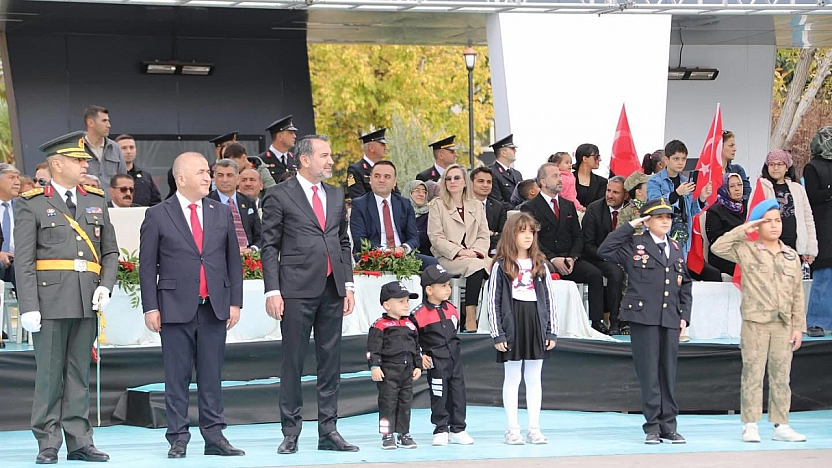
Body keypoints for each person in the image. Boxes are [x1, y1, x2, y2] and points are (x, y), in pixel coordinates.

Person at [16, 131, 118, 464]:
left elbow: (110, 251)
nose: (84, 165)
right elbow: (26, 260)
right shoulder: (32, 202)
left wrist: (106, 284)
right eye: (78, 160)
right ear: (57, 164)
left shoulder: (96, 199)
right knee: (48, 374)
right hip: (49, 301)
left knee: (78, 374)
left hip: (86, 298)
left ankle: (79, 440)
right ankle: (48, 441)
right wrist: (28, 305)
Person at [139, 152, 245, 459]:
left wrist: (234, 302)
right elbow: (147, 266)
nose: (208, 177)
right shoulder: (158, 214)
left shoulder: (220, 211)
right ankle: (178, 437)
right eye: (201, 172)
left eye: (207, 172)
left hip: (213, 305)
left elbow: (232, 262)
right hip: (173, 307)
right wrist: (150, 307)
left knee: (212, 375)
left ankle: (214, 436)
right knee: (177, 376)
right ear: (181, 178)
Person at [260, 135, 359, 454]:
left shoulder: (334, 194)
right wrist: (272, 290)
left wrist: (348, 284)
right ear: (304, 159)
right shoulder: (278, 195)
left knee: (331, 362)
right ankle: (290, 430)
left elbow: (343, 241)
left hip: (332, 288)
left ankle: (328, 430)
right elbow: (269, 246)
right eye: (325, 156)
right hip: (295, 290)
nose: (331, 161)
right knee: (293, 362)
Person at [710, 199, 807, 443]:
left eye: (777, 221)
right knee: (753, 373)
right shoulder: (748, 249)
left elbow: (797, 294)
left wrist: (798, 327)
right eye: (768, 221)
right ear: (758, 224)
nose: (774, 226)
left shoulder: (790, 256)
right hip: (756, 323)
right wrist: (747, 228)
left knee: (781, 375)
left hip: (783, 324)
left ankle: (781, 424)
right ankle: (750, 424)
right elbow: (718, 247)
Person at [597, 198, 692, 445]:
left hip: (669, 317)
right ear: (647, 221)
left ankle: (669, 426)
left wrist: (685, 317)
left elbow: (685, 284)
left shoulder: (675, 247)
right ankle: (652, 426)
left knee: (668, 374)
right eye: (659, 217)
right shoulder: (635, 243)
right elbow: (604, 250)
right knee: (649, 373)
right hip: (643, 317)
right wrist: (631, 225)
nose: (665, 222)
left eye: (668, 217)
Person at [486, 212, 557, 445]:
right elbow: (493, 300)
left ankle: (534, 428)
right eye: (522, 231)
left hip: (535, 320)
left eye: (531, 232)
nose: (527, 236)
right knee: (513, 376)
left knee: (534, 377)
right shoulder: (501, 265)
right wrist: (498, 333)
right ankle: (512, 428)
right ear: (511, 234)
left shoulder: (540, 264)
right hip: (512, 321)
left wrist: (550, 330)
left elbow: (549, 299)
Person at [520, 163, 608, 335]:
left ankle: (596, 322)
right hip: (544, 259)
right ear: (543, 182)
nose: (560, 179)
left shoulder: (568, 205)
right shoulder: (529, 207)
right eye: (555, 176)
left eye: (560, 176)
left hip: (570, 259)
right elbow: (532, 240)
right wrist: (553, 259)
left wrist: (573, 258)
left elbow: (578, 235)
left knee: (595, 275)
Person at [410, 264, 474, 446]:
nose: (448, 289)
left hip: (454, 361)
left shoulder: (452, 309)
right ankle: (440, 429)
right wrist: (419, 356)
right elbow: (412, 339)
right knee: (439, 395)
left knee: (458, 394)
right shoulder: (418, 315)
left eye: (449, 285)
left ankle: (458, 429)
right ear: (429, 290)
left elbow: (455, 332)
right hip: (436, 363)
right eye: (443, 286)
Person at [427, 164, 491, 333]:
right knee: (476, 267)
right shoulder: (437, 205)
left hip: (475, 256)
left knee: (499, 267)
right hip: (448, 258)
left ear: (465, 182)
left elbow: (484, 235)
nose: (452, 181)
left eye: (457, 178)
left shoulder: (476, 205)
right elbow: (435, 237)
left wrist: (475, 252)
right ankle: (470, 317)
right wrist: (460, 252)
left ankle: (490, 316)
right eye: (448, 178)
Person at [349, 161, 437, 269]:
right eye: (377, 176)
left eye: (387, 177)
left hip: (403, 255)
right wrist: (386, 251)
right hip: (373, 256)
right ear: (370, 180)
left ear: (394, 182)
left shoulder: (404, 204)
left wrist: (403, 248)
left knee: (438, 266)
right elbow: (360, 241)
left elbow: (414, 238)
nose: (381, 180)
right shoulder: (359, 204)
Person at [367, 281, 421, 450]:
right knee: (388, 403)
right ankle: (387, 434)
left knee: (405, 402)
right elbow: (372, 349)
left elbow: (416, 347)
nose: (406, 305)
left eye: (407, 301)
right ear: (387, 304)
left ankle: (404, 433)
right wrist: (374, 366)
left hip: (406, 371)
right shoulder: (380, 325)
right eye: (401, 301)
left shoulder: (410, 324)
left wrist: (418, 365)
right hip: (388, 371)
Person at [646, 140, 711, 258]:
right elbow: (654, 206)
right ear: (666, 160)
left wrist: (702, 198)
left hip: (682, 236)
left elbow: (690, 211)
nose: (680, 162)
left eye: (683, 159)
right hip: (661, 236)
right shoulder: (654, 181)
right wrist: (676, 193)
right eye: (676, 159)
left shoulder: (685, 181)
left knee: (679, 272)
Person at [582, 176, 629, 334]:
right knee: (616, 272)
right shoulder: (594, 209)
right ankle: (615, 322)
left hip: (626, 256)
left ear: (626, 195)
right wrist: (611, 258)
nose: (610, 195)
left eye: (616, 192)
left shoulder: (632, 210)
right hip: (598, 257)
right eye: (608, 190)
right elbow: (587, 244)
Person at [757, 149, 817, 264]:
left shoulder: (797, 189)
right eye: (772, 164)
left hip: (795, 247)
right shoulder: (761, 188)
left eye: (780, 164)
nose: (775, 168)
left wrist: (810, 248)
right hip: (769, 249)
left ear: (787, 167)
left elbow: (808, 218)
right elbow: (753, 219)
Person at [804, 126, 832, 337]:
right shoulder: (812, 167)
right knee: (823, 276)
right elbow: (812, 195)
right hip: (823, 227)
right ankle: (816, 322)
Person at [208, 159, 262, 253]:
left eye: (229, 175)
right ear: (214, 178)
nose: (225, 180)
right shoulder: (206, 202)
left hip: (249, 257)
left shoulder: (248, 201)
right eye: (220, 175)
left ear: (238, 179)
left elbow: (260, 236)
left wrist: (252, 250)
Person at [82, 105, 127, 201]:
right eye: (104, 121)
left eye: (108, 121)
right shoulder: (77, 148)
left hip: (110, 208)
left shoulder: (115, 148)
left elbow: (123, 180)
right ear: (90, 123)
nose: (109, 125)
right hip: (85, 205)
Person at [705, 173, 747, 276]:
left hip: (744, 252)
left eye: (739, 185)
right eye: (732, 186)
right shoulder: (715, 211)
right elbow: (716, 240)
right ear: (724, 188)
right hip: (723, 255)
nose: (737, 189)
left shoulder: (747, 207)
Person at [115, 134, 162, 207]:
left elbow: (156, 203)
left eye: (131, 147)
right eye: (124, 148)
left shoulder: (146, 177)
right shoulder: (111, 175)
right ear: (115, 151)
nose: (128, 151)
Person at [470, 166, 507, 256]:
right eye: (481, 181)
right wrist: (489, 233)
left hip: (493, 252)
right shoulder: (462, 205)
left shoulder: (498, 207)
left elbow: (504, 234)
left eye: (489, 182)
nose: (485, 185)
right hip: (468, 252)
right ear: (471, 183)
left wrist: (491, 235)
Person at [347, 128, 388, 200]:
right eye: (382, 144)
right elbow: (359, 198)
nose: (385, 147)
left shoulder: (387, 169)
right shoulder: (355, 170)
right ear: (371, 148)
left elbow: (396, 195)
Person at [259, 115, 299, 180]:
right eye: (291, 133)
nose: (294, 136)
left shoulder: (296, 160)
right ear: (280, 136)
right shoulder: (262, 160)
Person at [0, 163, 20, 288]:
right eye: (11, 177)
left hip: (18, 259)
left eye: (18, 178)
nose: (17, 182)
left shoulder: (23, 207)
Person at [488, 134, 522, 205]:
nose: (515, 151)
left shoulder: (517, 174)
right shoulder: (491, 172)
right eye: (512, 149)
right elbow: (497, 201)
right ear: (503, 153)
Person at [403, 180, 432, 256]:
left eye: (424, 192)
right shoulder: (399, 214)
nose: (421, 194)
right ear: (408, 193)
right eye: (417, 191)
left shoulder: (430, 216)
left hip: (425, 258)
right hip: (401, 256)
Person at [573, 143, 607, 208]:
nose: (599, 159)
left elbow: (600, 205)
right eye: (596, 156)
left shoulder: (602, 182)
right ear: (585, 159)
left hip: (592, 217)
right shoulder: (568, 179)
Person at [721, 131, 751, 202]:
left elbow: (747, 192)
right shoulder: (709, 173)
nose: (735, 149)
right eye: (731, 146)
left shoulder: (737, 169)